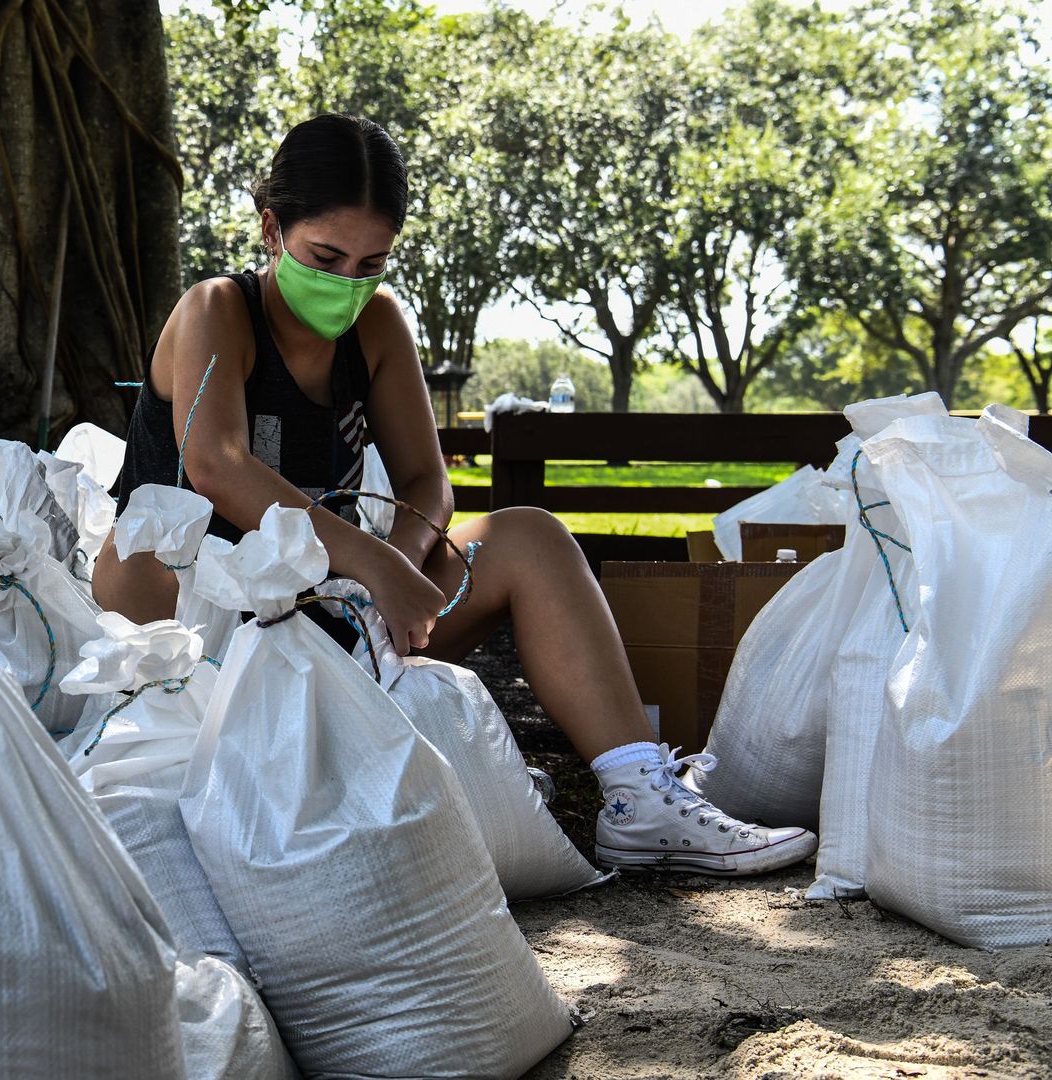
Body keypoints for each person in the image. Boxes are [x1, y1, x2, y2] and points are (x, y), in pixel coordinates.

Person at [93, 113, 816, 877]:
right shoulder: (216, 310)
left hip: (327, 612)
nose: (346, 284)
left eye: (372, 262)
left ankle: (640, 798)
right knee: (143, 553)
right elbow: (218, 465)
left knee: (529, 537)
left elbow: (425, 482)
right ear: (272, 229)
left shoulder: (376, 325)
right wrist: (375, 566)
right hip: (196, 624)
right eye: (325, 256)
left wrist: (387, 578)